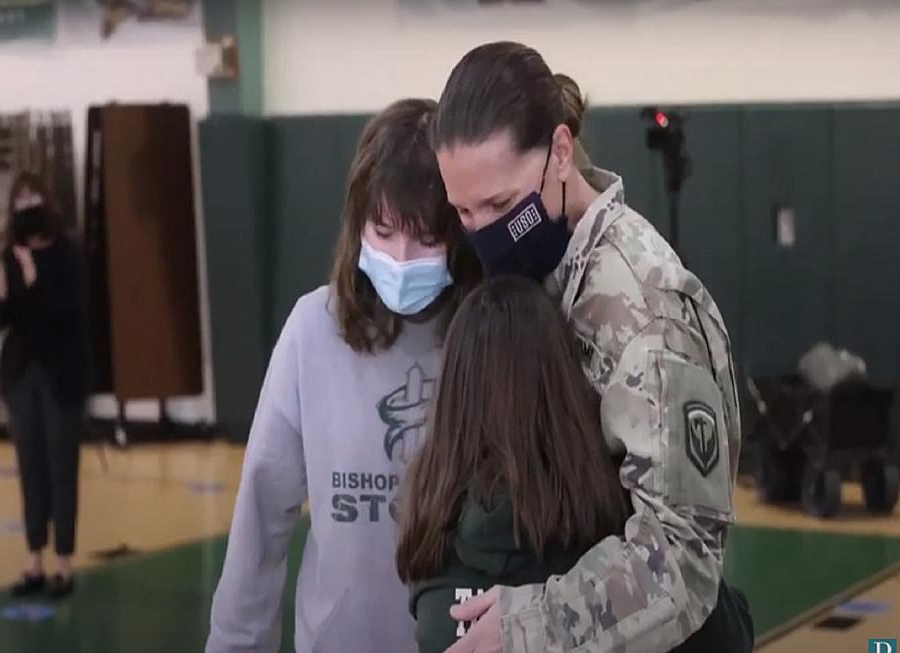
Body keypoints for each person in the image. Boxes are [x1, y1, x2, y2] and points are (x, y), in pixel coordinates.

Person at [430, 42, 743, 652]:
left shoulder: (645, 311)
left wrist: (530, 628)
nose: (483, 232)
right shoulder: (537, 264)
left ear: (561, 152)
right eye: (463, 211)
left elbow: (684, 557)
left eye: (500, 206)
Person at [206, 99, 481, 653]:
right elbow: (263, 513)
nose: (402, 259)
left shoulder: (489, 334)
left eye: (426, 239)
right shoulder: (313, 330)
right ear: (358, 227)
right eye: (383, 231)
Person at [396, 276, 752, 653]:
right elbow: (721, 629)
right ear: (563, 387)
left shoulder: (430, 549)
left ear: (452, 395)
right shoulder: (605, 541)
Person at [0, 171, 90, 599]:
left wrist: (32, 283)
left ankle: (63, 562)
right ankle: (34, 557)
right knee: (30, 466)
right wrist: (1, 294)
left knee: (61, 467)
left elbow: (63, 314)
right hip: (22, 374)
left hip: (61, 373)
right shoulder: (10, 256)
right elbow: (5, 320)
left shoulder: (67, 253)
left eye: (33, 197)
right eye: (20, 200)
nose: (26, 206)